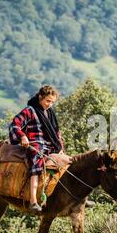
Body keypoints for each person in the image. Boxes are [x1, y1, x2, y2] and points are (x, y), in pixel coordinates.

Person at [9, 85, 69, 213]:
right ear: (40, 97)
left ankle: (74, 199)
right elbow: (15, 125)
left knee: (68, 163)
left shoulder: (50, 113)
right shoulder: (30, 110)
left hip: (51, 145)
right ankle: (33, 201)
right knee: (36, 161)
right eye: (48, 101)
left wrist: (60, 148)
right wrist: (22, 137)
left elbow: (56, 132)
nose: (50, 104)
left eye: (52, 102)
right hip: (35, 145)